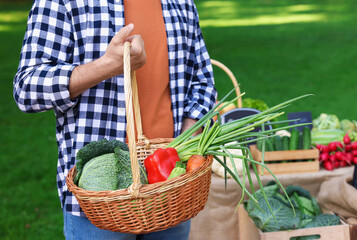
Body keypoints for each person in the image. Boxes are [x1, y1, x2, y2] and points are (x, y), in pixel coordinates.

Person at [13, 0, 216, 239]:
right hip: (101, 200)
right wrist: (107, 65)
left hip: (169, 190)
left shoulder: (181, 2)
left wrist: (185, 148)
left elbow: (202, 81)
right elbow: (27, 89)